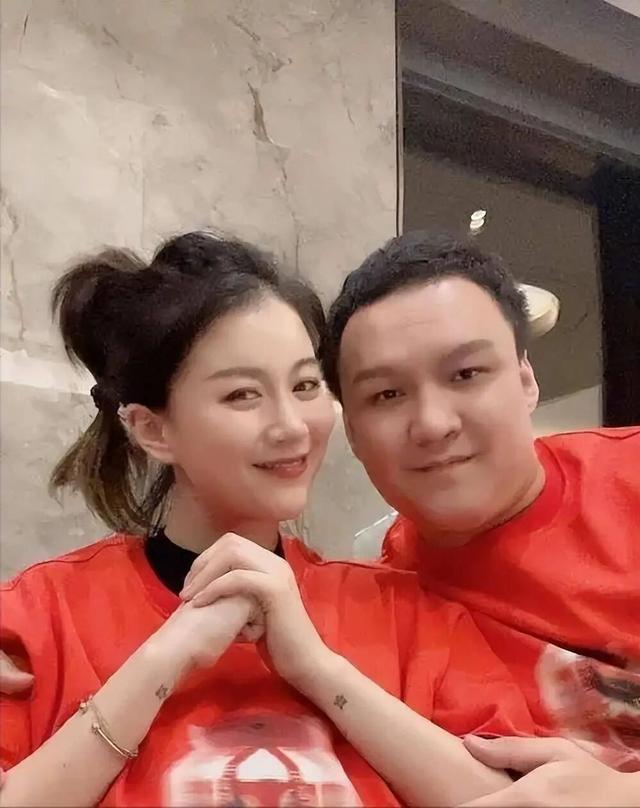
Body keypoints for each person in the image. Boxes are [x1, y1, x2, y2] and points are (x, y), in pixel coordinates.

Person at [0, 231, 537, 807]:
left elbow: (527, 798)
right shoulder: (40, 619)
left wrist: (316, 668)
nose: (292, 426)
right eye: (242, 395)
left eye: (305, 385)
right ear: (152, 429)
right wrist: (160, 662)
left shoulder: (407, 615)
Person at [320, 231, 640, 807]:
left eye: (466, 374)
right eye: (387, 395)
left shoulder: (630, 480)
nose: (433, 423)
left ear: (525, 380)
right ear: (353, 433)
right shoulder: (377, 601)